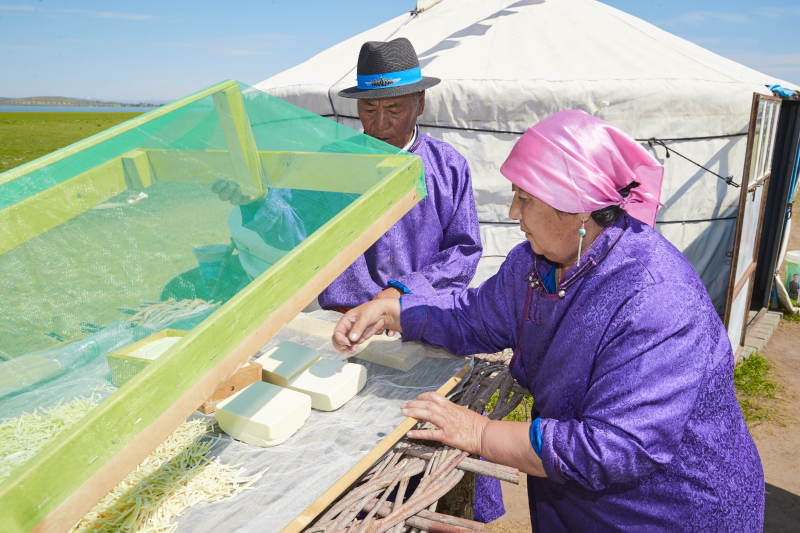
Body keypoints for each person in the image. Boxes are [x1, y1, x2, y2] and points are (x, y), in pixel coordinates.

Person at [332, 110, 765, 531]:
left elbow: (613, 449)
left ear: (576, 208)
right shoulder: (533, 265)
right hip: (577, 505)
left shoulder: (656, 298)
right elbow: (472, 319)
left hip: (670, 510)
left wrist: (481, 434)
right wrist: (394, 311)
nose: (511, 213)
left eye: (525, 198)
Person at [215, 37, 482, 313]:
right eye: (368, 109)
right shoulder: (333, 162)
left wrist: (404, 291)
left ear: (420, 103)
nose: (379, 124)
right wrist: (258, 202)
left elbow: (464, 251)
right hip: (344, 317)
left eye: (393, 109)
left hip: (419, 313)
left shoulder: (448, 165)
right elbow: (296, 234)